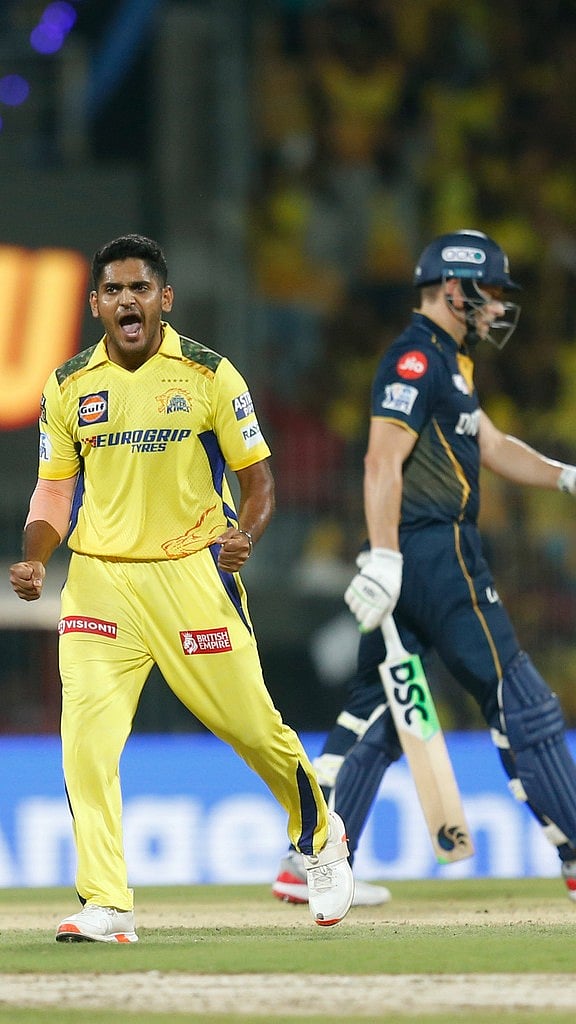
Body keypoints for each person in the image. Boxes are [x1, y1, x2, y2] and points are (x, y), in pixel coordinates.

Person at [9, 233, 353, 942]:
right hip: (100, 581)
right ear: (97, 303)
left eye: (140, 288)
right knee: (86, 743)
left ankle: (321, 838)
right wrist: (36, 555)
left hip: (194, 572)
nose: (127, 300)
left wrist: (246, 536)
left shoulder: (209, 374)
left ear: (164, 299)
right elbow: (52, 491)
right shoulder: (69, 384)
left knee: (252, 728)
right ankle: (106, 901)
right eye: (113, 290)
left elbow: (258, 480)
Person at [273, 228, 576, 905]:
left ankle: (311, 859)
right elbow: (381, 460)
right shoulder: (415, 359)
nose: (498, 306)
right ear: (451, 288)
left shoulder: (453, 362)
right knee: (520, 700)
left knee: (377, 716)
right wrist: (384, 558)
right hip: (436, 555)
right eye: (489, 291)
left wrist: (564, 477)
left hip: (416, 557)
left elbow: (493, 445)